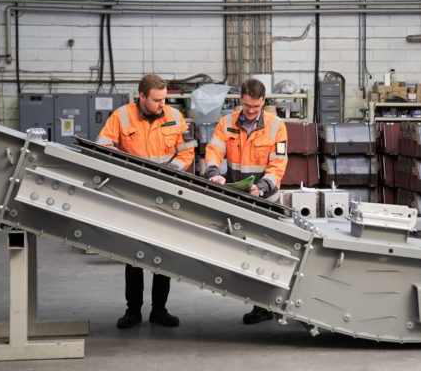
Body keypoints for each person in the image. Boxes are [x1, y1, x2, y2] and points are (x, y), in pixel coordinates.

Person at [97, 74, 196, 328]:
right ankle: (133, 311)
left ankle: (159, 310)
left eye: (164, 99)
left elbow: (187, 150)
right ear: (141, 96)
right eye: (156, 100)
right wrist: (125, 165)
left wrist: (173, 168)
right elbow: (103, 145)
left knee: (162, 254)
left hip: (166, 195)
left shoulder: (175, 116)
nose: (162, 104)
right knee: (134, 255)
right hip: (134, 195)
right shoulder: (122, 116)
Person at [204, 78, 288, 324]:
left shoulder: (276, 127)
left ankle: (270, 305)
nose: (251, 111)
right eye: (247, 105)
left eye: (255, 106)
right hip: (238, 195)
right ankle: (258, 304)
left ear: (263, 102)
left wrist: (262, 187)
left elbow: (278, 163)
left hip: (266, 198)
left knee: (270, 252)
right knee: (246, 251)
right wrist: (213, 172)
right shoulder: (226, 123)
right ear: (241, 100)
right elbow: (214, 150)